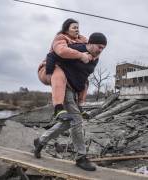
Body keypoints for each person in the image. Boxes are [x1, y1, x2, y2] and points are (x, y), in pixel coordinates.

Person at [34, 32, 107, 171]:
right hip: (63, 86)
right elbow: (52, 54)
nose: (100, 50)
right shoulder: (78, 48)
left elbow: (83, 78)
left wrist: (81, 102)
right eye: (99, 46)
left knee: (68, 122)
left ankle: (41, 141)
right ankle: (81, 157)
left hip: (74, 90)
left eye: (103, 48)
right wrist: (50, 72)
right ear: (90, 43)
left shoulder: (95, 59)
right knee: (77, 121)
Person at [38, 18, 93, 122]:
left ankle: (80, 105)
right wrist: (81, 55)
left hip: (68, 72)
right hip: (48, 69)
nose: (77, 30)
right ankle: (58, 109)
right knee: (59, 73)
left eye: (78, 28)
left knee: (85, 81)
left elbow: (91, 49)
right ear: (67, 30)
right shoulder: (60, 38)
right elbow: (61, 51)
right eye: (74, 28)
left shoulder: (82, 40)